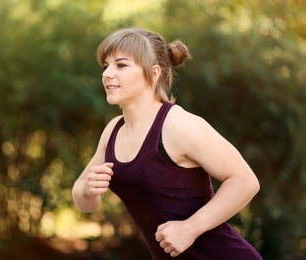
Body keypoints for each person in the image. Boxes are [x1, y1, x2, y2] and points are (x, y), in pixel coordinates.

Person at [72, 27, 262, 259]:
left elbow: (245, 181)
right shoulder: (113, 131)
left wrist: (191, 228)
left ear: (153, 73)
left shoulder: (179, 125)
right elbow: (85, 203)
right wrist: (88, 190)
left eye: (121, 65)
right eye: (105, 66)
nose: (107, 74)